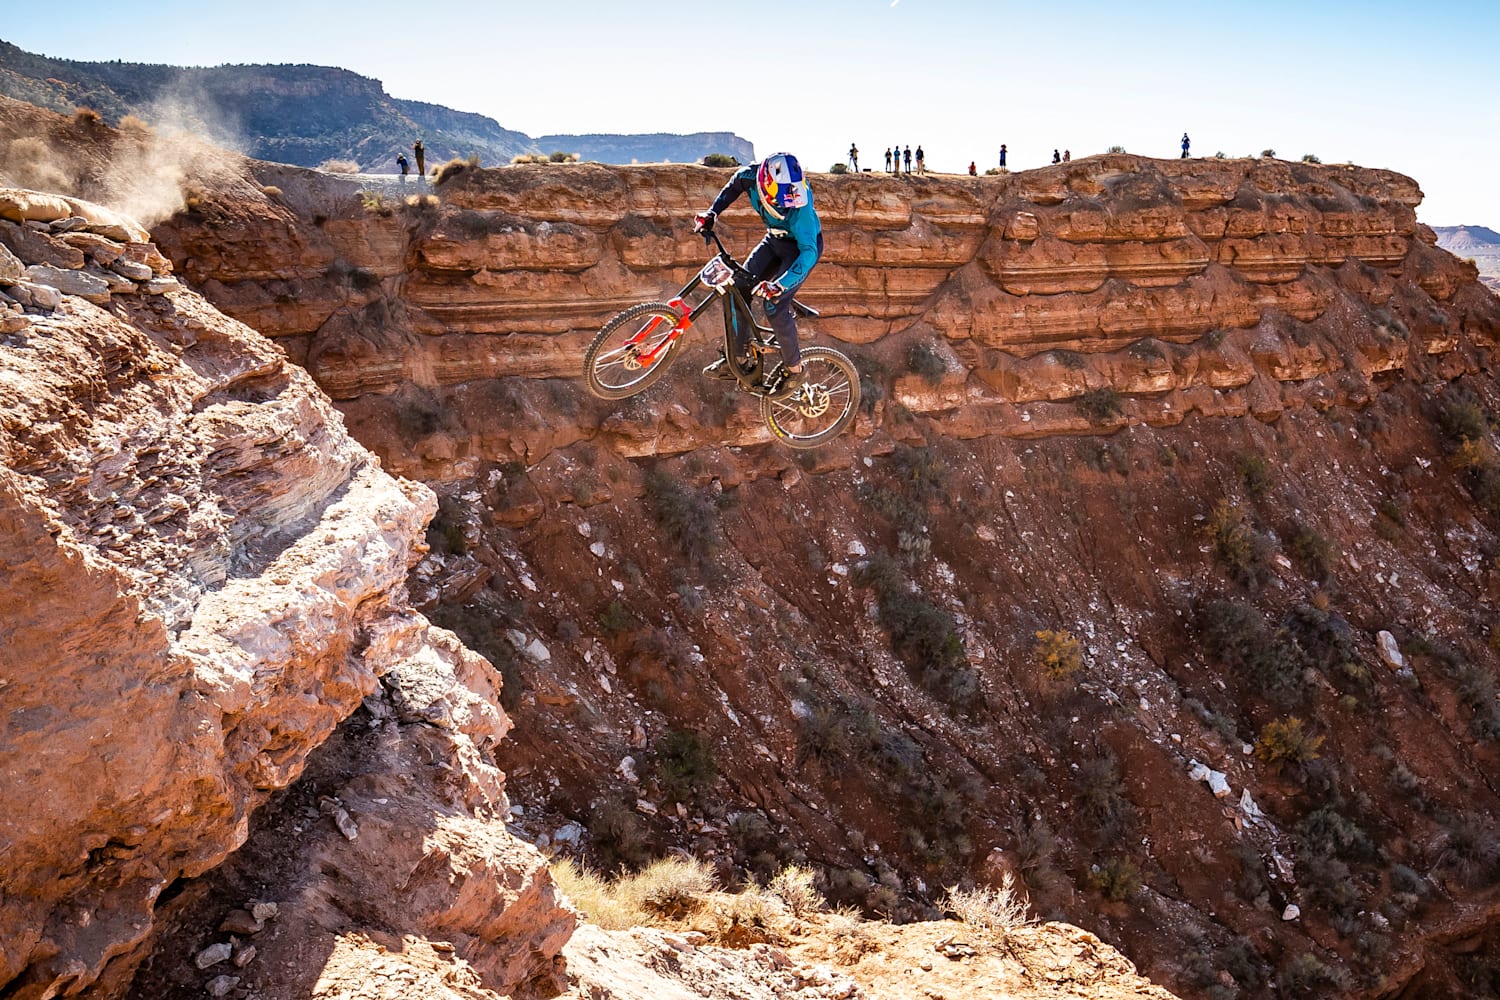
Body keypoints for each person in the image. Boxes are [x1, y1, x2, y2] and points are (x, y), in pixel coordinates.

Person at [693, 152, 822, 398]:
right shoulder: (749, 176)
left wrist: (780, 286)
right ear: (764, 182)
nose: (784, 202)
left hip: (799, 250)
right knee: (736, 290)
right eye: (779, 196)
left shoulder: (801, 206)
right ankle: (737, 360)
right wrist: (713, 213)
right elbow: (732, 187)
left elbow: (808, 252)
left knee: (773, 305)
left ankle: (795, 370)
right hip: (774, 240)